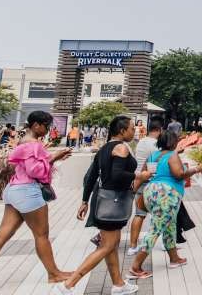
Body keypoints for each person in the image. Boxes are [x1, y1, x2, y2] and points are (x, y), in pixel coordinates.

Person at [0, 111, 72, 292]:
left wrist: (52, 158)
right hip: (28, 192)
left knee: (0, 237)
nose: (47, 130)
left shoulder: (23, 142)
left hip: (14, 189)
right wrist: (54, 157)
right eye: (46, 126)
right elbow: (34, 171)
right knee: (41, 235)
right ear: (36, 125)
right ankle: (54, 274)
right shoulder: (33, 144)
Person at [55, 115, 145, 295]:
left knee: (111, 244)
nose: (134, 131)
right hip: (113, 202)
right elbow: (117, 175)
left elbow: (91, 176)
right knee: (106, 246)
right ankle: (68, 285)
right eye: (131, 128)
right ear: (122, 131)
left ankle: (118, 284)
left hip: (103, 200)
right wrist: (139, 176)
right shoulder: (121, 148)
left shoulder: (104, 148)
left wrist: (84, 201)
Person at [127, 130, 202, 279]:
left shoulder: (152, 156)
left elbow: (143, 175)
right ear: (173, 142)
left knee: (170, 226)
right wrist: (195, 169)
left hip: (151, 191)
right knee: (155, 230)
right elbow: (179, 174)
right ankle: (135, 267)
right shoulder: (172, 155)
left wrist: (134, 191)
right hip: (166, 195)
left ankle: (174, 259)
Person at [126, 118, 163, 256]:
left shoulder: (141, 142)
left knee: (139, 214)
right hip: (152, 182)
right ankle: (165, 244)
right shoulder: (156, 145)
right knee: (160, 214)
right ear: (159, 130)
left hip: (139, 180)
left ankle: (133, 246)